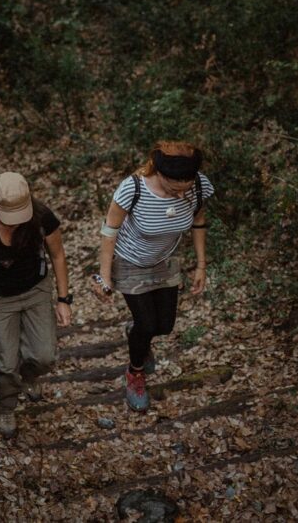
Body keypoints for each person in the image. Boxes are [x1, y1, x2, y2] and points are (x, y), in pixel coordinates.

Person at [91, 141, 213, 411]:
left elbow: (199, 221)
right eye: (173, 190)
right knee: (146, 324)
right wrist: (104, 276)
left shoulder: (200, 186)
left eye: (186, 189)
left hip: (165, 260)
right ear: (158, 173)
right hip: (130, 261)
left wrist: (201, 265)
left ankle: (136, 333)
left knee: (164, 325)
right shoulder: (133, 188)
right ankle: (135, 374)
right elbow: (109, 231)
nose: (181, 196)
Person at [0, 171, 72, 439]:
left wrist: (63, 299)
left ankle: (28, 375)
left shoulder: (42, 217)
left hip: (36, 290)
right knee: (6, 364)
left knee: (45, 356)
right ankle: (5, 404)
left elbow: (58, 255)